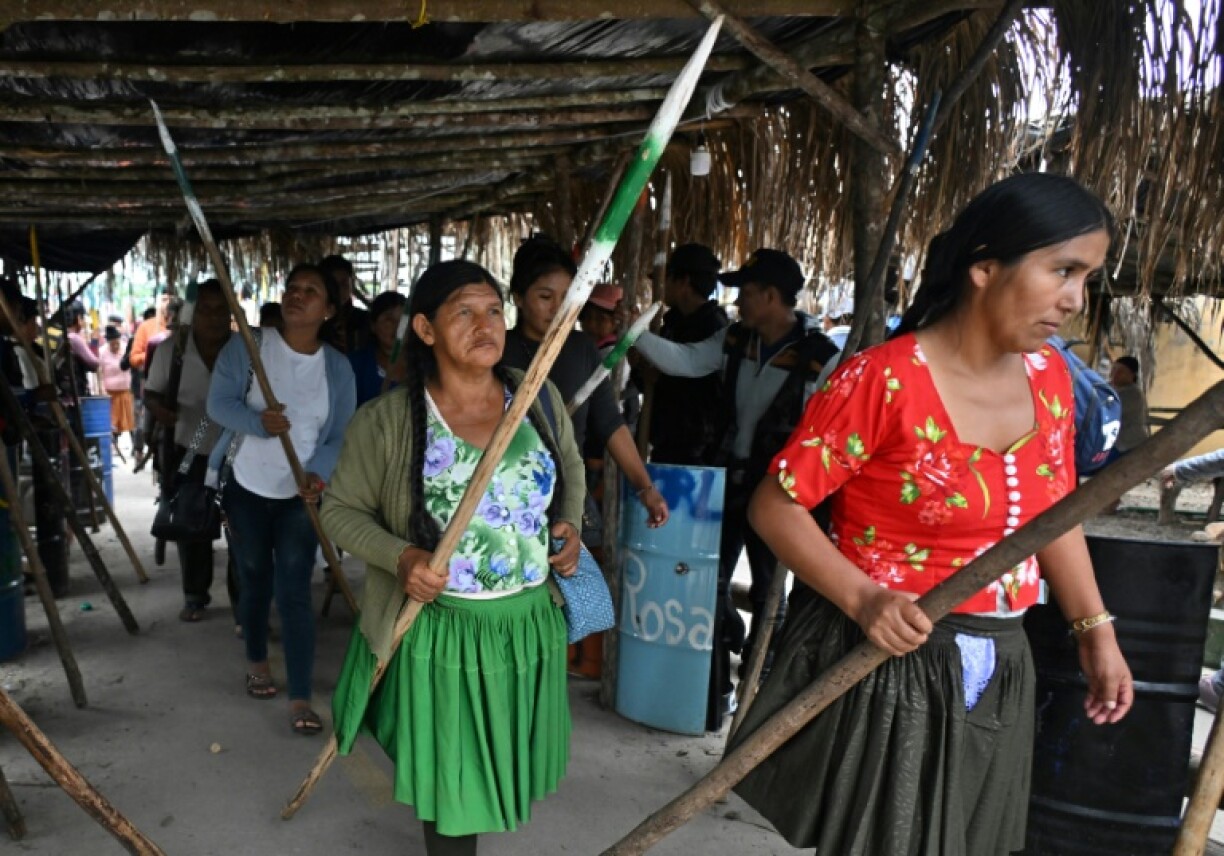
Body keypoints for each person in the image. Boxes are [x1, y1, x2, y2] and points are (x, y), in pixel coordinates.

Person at [728, 173, 1133, 856]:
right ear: (984, 267)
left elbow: (1054, 512)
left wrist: (1094, 628)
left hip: (1002, 657)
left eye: (1086, 278)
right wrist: (865, 599)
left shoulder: (1051, 379)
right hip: (894, 655)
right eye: (1063, 271)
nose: (1074, 300)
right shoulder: (883, 380)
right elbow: (776, 505)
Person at [324, 260, 585, 856]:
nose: (484, 324)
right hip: (443, 633)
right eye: (463, 312)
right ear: (424, 330)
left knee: (505, 763)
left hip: (525, 626)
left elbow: (569, 466)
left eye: (493, 310)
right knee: (454, 785)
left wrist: (568, 522)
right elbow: (339, 512)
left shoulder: (536, 395)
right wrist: (403, 555)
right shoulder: (387, 422)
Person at [632, 247, 838, 726]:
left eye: (745, 291)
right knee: (711, 579)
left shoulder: (820, 359)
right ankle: (716, 679)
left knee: (770, 589)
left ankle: (759, 687)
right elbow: (683, 361)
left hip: (783, 495)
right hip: (728, 482)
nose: (737, 299)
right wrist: (634, 336)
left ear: (770, 296)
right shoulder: (734, 339)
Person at [207, 263, 356, 735]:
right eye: (292, 288)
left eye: (311, 291)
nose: (297, 296)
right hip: (246, 485)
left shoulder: (336, 366)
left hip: (299, 494)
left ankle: (300, 697)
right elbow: (218, 405)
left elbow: (337, 434)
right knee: (254, 579)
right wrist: (258, 423)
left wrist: (318, 475)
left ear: (329, 309)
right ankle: (257, 662)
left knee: (294, 588)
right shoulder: (248, 347)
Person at [500, 235, 668, 546]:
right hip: (503, 498)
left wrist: (645, 487)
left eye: (567, 296)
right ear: (519, 298)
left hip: (567, 497)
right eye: (545, 297)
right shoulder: (498, 351)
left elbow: (610, 423)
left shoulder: (581, 349)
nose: (557, 308)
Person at [145, 280, 235, 622]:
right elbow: (151, 392)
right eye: (205, 310)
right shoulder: (173, 350)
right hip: (189, 450)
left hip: (238, 453)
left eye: (219, 310)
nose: (212, 318)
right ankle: (195, 596)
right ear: (191, 315)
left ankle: (243, 606)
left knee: (240, 530)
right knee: (191, 529)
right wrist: (160, 411)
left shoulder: (243, 350)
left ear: (230, 314)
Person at [646, 243, 728, 466]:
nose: (661, 286)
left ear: (683, 282)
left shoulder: (713, 327)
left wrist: (634, 334)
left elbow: (687, 369)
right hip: (667, 442)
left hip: (697, 451)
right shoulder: (672, 323)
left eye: (667, 279)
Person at [348, 290, 408, 407]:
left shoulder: (425, 366)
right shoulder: (354, 366)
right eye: (389, 320)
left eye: (404, 320)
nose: (398, 327)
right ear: (373, 326)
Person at [320, 254, 369, 354]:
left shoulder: (366, 321)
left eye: (343, 284)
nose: (339, 290)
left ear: (352, 283)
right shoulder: (312, 320)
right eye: (333, 284)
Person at [98, 325, 135, 458]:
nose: (115, 346)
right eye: (112, 344)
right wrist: (101, 390)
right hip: (110, 393)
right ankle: (114, 447)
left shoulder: (126, 348)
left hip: (126, 391)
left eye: (117, 343)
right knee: (114, 423)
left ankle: (136, 448)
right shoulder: (102, 352)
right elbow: (100, 373)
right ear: (108, 342)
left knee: (131, 421)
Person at [1110, 355, 1149, 456]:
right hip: (1114, 442)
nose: (1115, 374)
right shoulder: (1110, 387)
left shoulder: (1133, 394)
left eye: (1121, 371)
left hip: (1127, 444)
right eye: (1114, 369)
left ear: (1132, 375)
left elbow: (1107, 410)